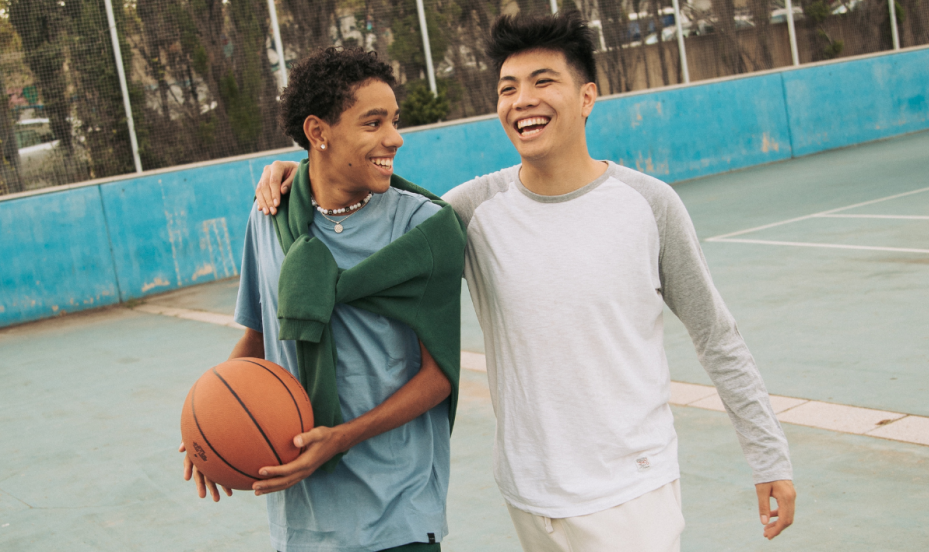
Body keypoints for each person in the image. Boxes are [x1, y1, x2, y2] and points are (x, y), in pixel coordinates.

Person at [253, 13, 796, 552]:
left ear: (586, 97)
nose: (522, 100)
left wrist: (769, 456)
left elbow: (716, 336)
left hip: (631, 491)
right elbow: (374, 196)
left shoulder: (649, 204)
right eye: (507, 88)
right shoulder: (470, 210)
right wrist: (301, 172)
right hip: (529, 497)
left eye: (543, 82)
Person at [180, 47, 466, 552]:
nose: (394, 138)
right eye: (373, 122)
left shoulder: (423, 228)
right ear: (318, 132)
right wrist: (206, 428)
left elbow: (439, 375)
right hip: (304, 513)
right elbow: (258, 337)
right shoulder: (269, 217)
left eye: (394, 121)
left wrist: (343, 436)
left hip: (398, 505)